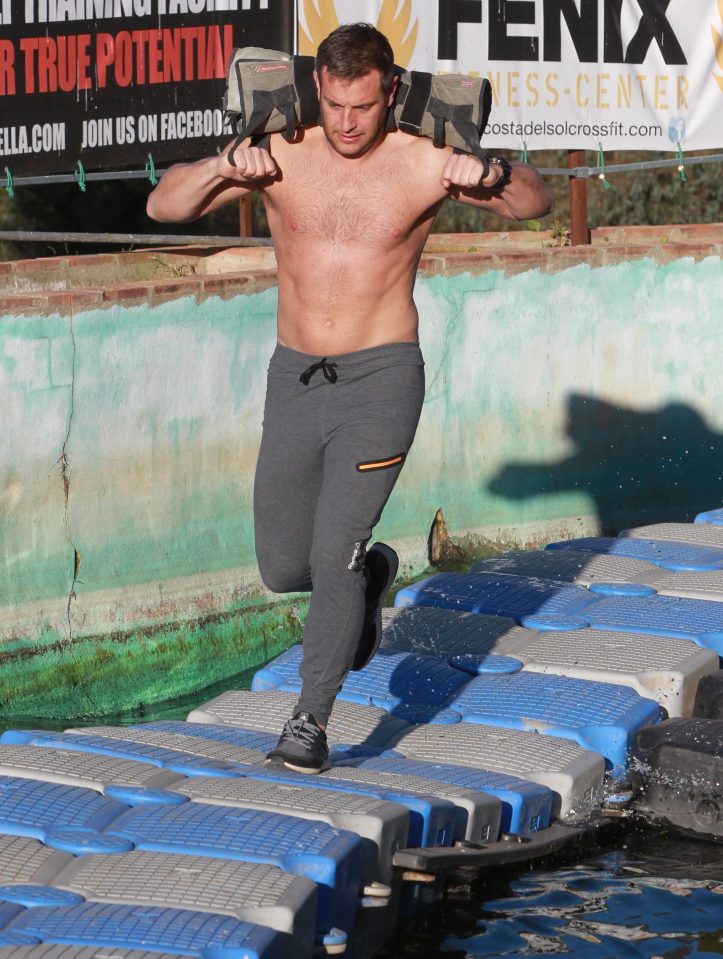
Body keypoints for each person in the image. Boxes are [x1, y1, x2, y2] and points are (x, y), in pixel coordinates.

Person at [146, 22, 553, 774]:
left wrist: (491, 174)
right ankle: (368, 582)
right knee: (281, 564)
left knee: (332, 551)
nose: (345, 122)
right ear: (318, 90)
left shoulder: (424, 158)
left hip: (382, 377)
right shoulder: (281, 150)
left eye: (361, 106)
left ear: (389, 91)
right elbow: (163, 207)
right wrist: (218, 164)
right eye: (333, 104)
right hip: (294, 374)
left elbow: (536, 201)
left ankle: (309, 721)